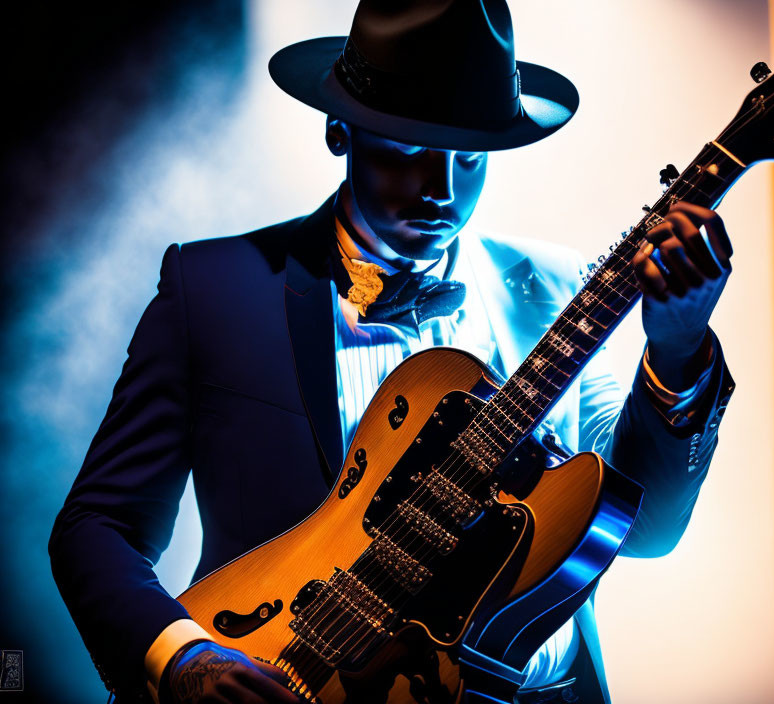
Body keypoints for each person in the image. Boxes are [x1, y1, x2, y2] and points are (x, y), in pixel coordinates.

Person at [48, 1, 735, 703]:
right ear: (339, 129)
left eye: (469, 157)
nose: (441, 189)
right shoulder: (215, 290)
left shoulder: (554, 290)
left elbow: (639, 528)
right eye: (410, 148)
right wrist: (182, 659)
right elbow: (98, 526)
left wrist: (676, 354)